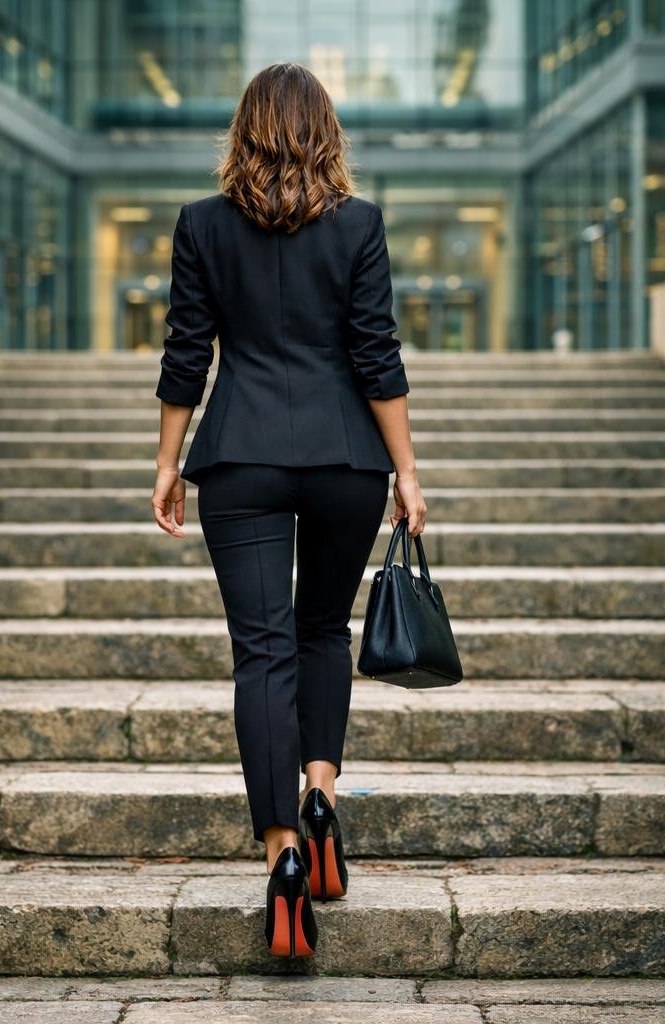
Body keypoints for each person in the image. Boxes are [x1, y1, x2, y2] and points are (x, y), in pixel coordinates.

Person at [149, 61, 426, 959]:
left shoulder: (200, 226)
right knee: (319, 634)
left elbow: (187, 353)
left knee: (260, 649)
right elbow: (376, 355)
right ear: (325, 130)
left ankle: (281, 859)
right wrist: (408, 473)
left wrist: (167, 464)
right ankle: (322, 796)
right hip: (346, 457)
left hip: (239, 457)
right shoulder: (361, 225)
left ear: (244, 130)